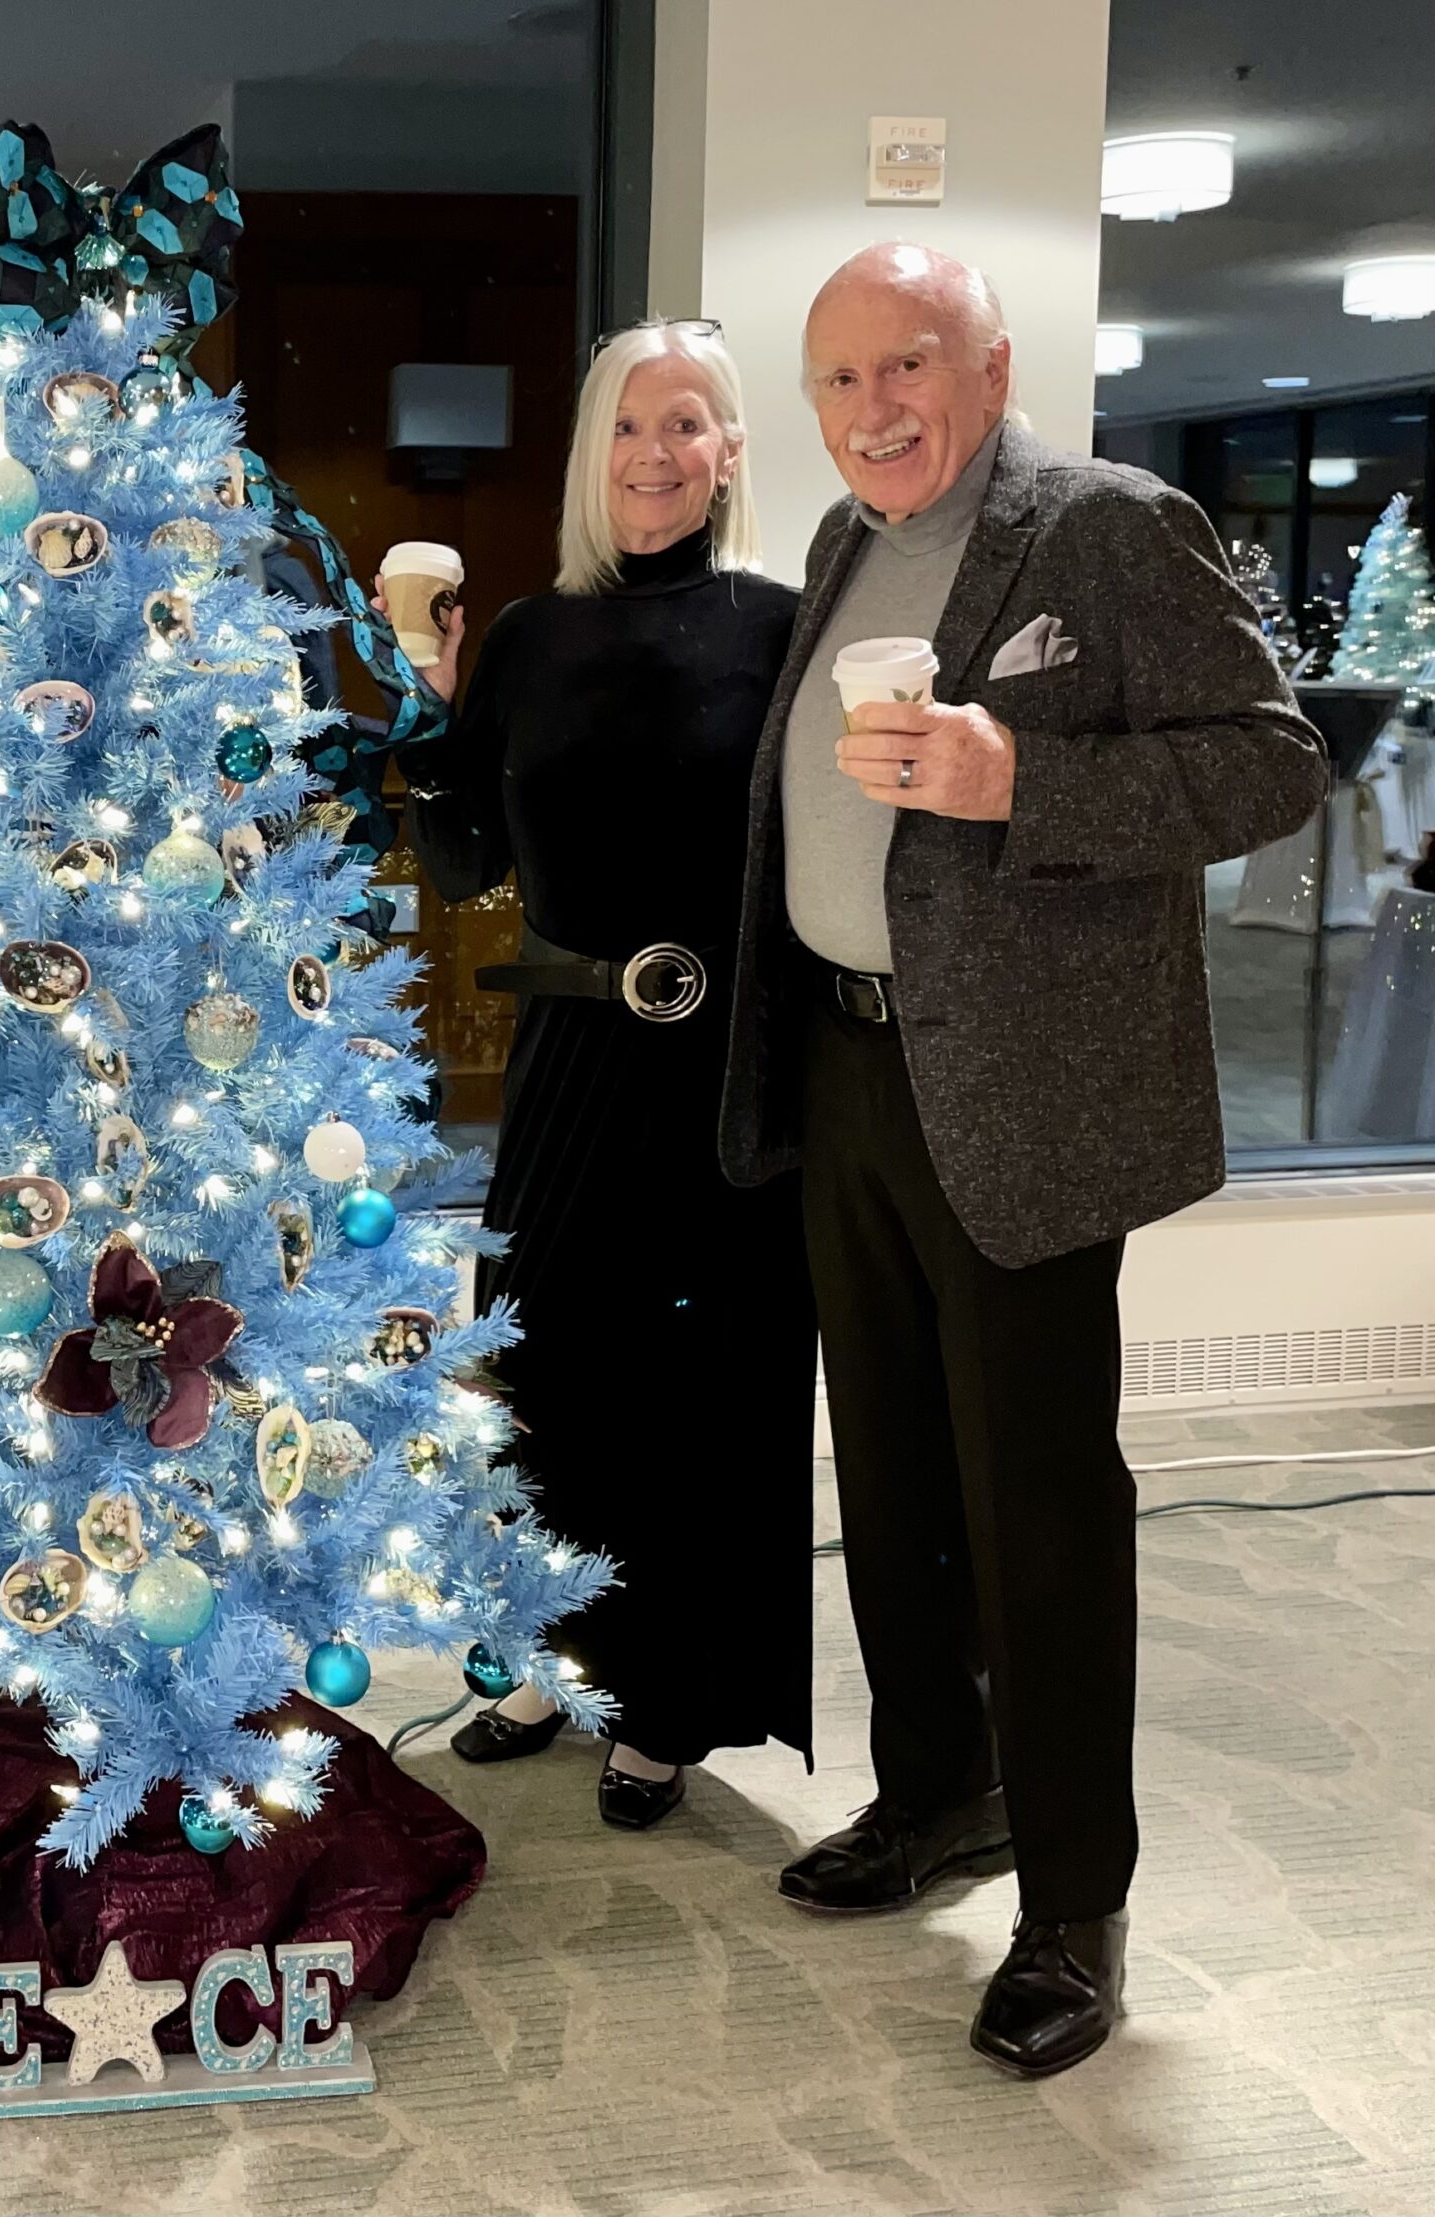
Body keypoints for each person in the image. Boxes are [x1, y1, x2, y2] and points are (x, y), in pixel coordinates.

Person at [720, 243, 1326, 2076]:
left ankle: (1076, 1903)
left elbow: (1274, 763)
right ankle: (939, 1793)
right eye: (835, 380)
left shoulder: (1108, 526)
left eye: (906, 365)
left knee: (1040, 1508)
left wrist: (1022, 783)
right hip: (846, 1066)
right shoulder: (839, 550)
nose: (870, 409)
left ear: (988, 366)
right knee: (891, 1471)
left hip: (1028, 1107)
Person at [396, 321, 814, 1829]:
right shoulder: (525, 635)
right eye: (633, 428)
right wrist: (432, 709)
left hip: (722, 1072)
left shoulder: (786, 626)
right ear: (596, 453)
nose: (658, 455)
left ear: (730, 448)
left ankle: (660, 1703)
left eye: (689, 424)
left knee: (697, 1394)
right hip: (569, 1060)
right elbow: (461, 864)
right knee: (543, 1375)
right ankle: (532, 1661)